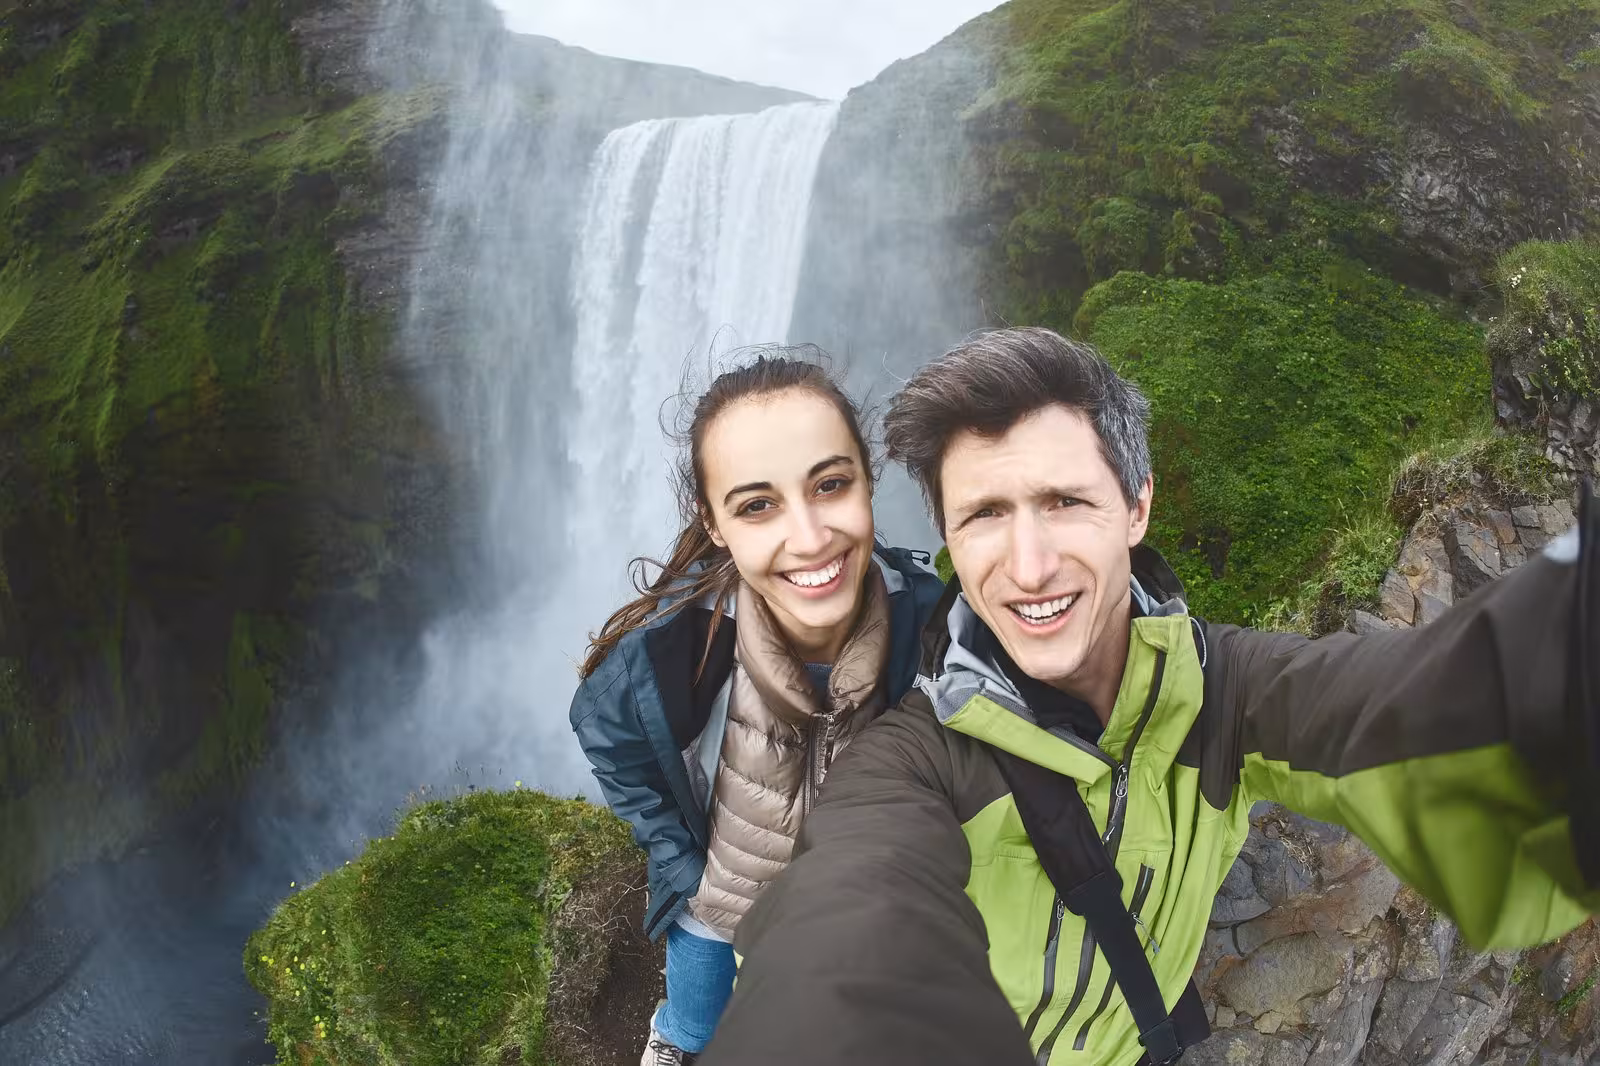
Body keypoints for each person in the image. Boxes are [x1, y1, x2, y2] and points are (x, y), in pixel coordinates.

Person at [697, 327, 1600, 1066]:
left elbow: (1430, 702)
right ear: (946, 542)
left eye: (1064, 502)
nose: (1028, 564)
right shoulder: (915, 766)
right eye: (984, 515)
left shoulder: (1232, 696)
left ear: (1137, 508)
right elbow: (849, 938)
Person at [568, 352, 945, 1066]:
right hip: (723, 899)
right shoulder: (681, 651)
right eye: (756, 504)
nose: (808, 538)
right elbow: (605, 734)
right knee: (696, 1022)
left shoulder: (931, 629)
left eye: (830, 485)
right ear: (713, 523)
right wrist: (680, 865)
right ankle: (673, 1042)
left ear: (868, 481)